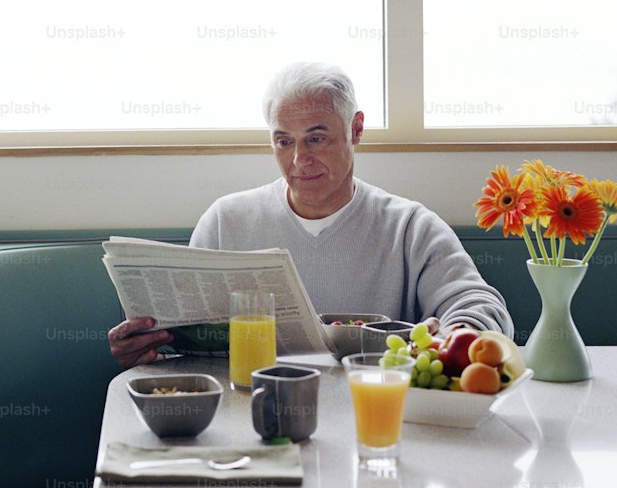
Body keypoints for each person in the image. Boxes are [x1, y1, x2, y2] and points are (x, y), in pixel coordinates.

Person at [108, 60, 514, 369]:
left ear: (356, 129)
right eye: (284, 142)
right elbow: (190, 347)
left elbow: (478, 302)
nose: (300, 159)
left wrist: (463, 334)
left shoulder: (409, 227)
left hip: (374, 419)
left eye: (316, 138)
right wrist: (147, 348)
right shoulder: (224, 222)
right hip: (248, 422)